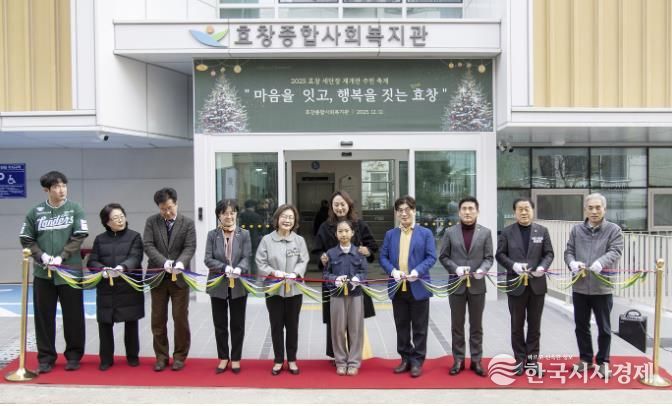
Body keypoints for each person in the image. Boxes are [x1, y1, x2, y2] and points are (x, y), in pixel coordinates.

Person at [19, 171, 88, 373]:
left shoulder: (75, 209)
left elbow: (79, 235)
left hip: (70, 273)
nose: (61, 190)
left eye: (64, 185)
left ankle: (74, 356)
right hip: (43, 274)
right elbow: (26, 238)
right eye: (56, 187)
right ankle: (46, 358)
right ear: (46, 190)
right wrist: (41, 256)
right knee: (43, 317)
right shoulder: (35, 212)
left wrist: (62, 256)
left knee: (74, 316)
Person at [313, 190, 378, 361]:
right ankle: (337, 355)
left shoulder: (360, 225)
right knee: (335, 320)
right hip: (333, 281)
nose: (339, 208)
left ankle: (354, 355)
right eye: (336, 205)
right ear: (331, 207)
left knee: (354, 319)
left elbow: (372, 245)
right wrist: (321, 257)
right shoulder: (325, 227)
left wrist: (367, 250)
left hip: (355, 280)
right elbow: (317, 250)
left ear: (349, 205)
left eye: (342, 204)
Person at [564, 193, 623, 378]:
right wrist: (572, 263)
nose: (594, 211)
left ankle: (604, 361)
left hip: (602, 287)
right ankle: (585, 359)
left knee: (604, 327)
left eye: (598, 207)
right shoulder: (576, 230)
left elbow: (616, 250)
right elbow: (569, 251)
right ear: (585, 210)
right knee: (581, 326)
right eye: (590, 208)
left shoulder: (613, 230)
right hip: (580, 286)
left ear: (604, 209)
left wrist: (601, 262)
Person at [495, 197, 554, 376]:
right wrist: (513, 265)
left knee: (535, 325)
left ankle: (532, 361)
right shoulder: (507, 232)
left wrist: (542, 268)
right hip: (516, 284)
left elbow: (549, 253)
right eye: (520, 209)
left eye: (527, 208)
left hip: (537, 285)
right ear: (514, 212)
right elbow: (500, 255)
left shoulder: (542, 231)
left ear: (532, 210)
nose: (523, 212)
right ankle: (519, 360)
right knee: (516, 325)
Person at [380, 195, 436, 378]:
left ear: (414, 211)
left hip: (418, 286)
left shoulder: (425, 233)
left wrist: (418, 271)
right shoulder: (390, 234)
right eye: (400, 210)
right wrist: (393, 271)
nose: (404, 213)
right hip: (397, 286)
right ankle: (405, 358)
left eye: (407, 210)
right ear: (396, 214)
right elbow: (383, 257)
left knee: (420, 327)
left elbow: (431, 257)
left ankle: (418, 361)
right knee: (401, 325)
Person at [143, 187, 197, 372]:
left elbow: (190, 247)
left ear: (176, 203)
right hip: (158, 276)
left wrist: (180, 263)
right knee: (158, 319)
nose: (166, 212)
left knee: (180, 319)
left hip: (179, 279)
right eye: (162, 209)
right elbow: (148, 245)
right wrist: (163, 262)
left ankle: (180, 356)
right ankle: (161, 356)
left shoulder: (187, 223)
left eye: (169, 208)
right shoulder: (152, 222)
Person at [439, 196, 493, 377]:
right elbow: (443, 256)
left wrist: (482, 270)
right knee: (457, 325)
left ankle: (476, 360)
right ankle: (458, 360)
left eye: (471, 209)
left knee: (476, 325)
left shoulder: (485, 233)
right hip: (456, 285)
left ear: (477, 211)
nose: (468, 212)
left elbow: (489, 258)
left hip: (477, 285)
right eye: (464, 209)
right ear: (459, 212)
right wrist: (455, 269)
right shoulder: (450, 232)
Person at [87, 203, 144, 371]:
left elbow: (136, 257)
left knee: (131, 323)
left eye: (122, 216)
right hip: (107, 287)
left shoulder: (134, 236)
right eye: (115, 218)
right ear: (107, 222)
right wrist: (102, 269)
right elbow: (92, 261)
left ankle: (132, 356)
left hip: (128, 286)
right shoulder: (100, 239)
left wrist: (122, 268)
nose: (120, 220)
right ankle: (106, 358)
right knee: (105, 323)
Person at [256, 204, 309, 376]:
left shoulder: (299, 240)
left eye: (291, 217)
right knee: (276, 326)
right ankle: (278, 360)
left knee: (292, 326)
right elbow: (260, 261)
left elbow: (303, 260)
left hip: (294, 291)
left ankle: (292, 359)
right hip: (274, 290)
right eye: (284, 217)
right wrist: (273, 272)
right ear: (277, 219)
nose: (287, 220)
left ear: (295, 221)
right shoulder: (267, 240)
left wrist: (296, 273)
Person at [204, 199, 251, 375]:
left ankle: (236, 358)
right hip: (218, 284)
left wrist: (239, 268)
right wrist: (224, 268)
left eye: (232, 213)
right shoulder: (212, 235)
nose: (229, 216)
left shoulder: (244, 234)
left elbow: (247, 256)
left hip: (239, 284)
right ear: (219, 215)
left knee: (237, 324)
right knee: (220, 324)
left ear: (236, 214)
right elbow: (208, 259)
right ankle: (223, 357)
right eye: (225, 213)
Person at [323, 220, 367, 376]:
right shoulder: (330, 254)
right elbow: (325, 274)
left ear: (352, 233)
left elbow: (364, 272)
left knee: (356, 330)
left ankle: (354, 362)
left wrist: (358, 279)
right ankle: (340, 361)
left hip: (355, 296)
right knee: (338, 330)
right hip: (337, 296)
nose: (343, 234)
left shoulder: (359, 252)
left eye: (346, 231)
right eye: (340, 231)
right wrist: (334, 279)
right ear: (336, 234)